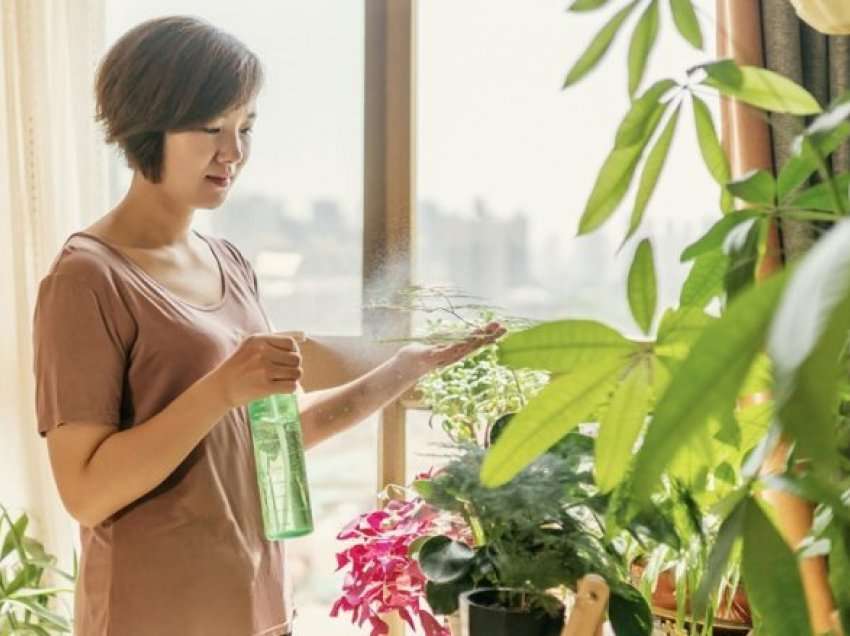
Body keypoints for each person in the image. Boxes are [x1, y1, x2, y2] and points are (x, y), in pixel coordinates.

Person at [32, 15, 504, 636]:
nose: (234, 152)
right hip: (151, 616)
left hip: (255, 606)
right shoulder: (88, 278)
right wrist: (220, 391)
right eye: (211, 128)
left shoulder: (229, 265)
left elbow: (267, 449)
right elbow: (85, 493)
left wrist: (402, 368)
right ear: (147, 123)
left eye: (245, 127)